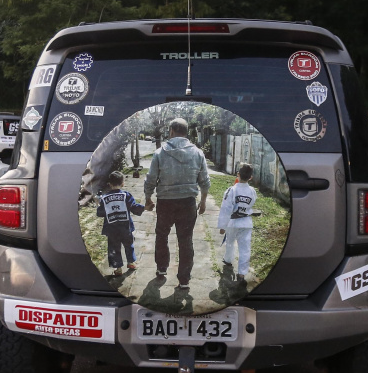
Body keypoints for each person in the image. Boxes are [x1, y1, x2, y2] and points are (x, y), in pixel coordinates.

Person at [144, 118, 211, 290]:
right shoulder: (197, 153)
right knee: (185, 240)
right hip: (188, 203)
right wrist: (203, 202)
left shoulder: (160, 153)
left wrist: (147, 197)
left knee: (162, 235)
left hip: (165, 203)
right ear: (186, 132)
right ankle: (184, 280)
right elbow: (205, 181)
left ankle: (161, 269)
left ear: (172, 131)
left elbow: (151, 178)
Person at [96, 171, 145, 275]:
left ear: (109, 184)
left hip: (112, 228)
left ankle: (118, 268)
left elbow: (100, 213)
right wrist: (144, 208)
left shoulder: (104, 198)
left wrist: (98, 204)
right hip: (125, 227)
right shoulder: (126, 195)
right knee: (129, 244)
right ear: (123, 184)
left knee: (114, 248)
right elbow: (134, 207)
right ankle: (131, 262)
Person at [218, 163, 257, 282]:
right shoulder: (252, 191)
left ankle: (228, 260)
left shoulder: (231, 190)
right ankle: (242, 273)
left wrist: (222, 225)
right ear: (251, 177)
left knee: (230, 242)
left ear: (238, 174)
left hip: (233, 223)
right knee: (245, 248)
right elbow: (251, 204)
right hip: (246, 223)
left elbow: (226, 208)